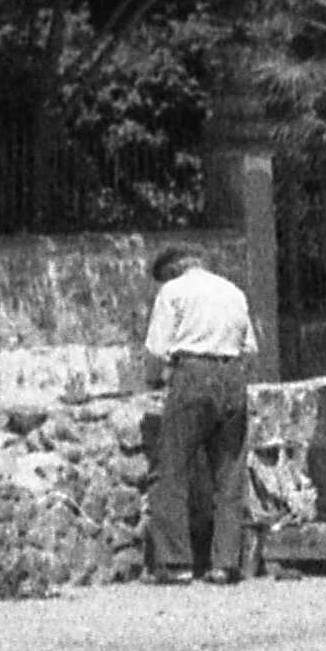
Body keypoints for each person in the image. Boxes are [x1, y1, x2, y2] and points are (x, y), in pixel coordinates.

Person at [137, 240, 256, 584]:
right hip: (233, 376)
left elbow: (156, 350)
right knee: (229, 473)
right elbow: (250, 348)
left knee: (170, 469)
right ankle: (225, 563)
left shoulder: (174, 292)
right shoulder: (233, 292)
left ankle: (176, 563)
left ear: (173, 269)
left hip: (192, 374)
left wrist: (153, 380)